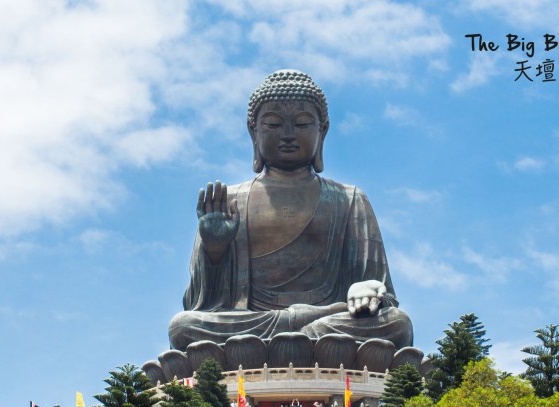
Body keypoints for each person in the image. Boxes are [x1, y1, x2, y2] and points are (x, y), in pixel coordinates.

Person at [169, 70, 413, 352]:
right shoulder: (229, 202)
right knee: (183, 326)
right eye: (273, 125)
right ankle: (303, 336)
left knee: (397, 324)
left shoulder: (349, 200)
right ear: (254, 131)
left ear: (322, 130)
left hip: (329, 321)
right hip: (253, 324)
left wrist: (368, 289)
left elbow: (381, 295)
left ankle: (301, 335)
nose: (287, 135)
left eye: (301, 124)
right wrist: (214, 250)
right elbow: (201, 304)